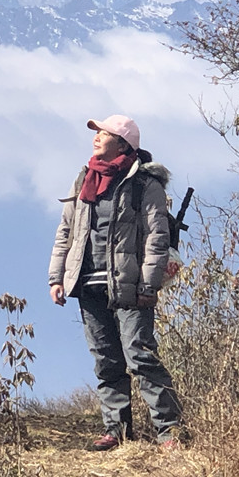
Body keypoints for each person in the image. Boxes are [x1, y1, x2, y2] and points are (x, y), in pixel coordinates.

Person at [48, 114, 183, 451]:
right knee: (106, 360)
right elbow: (66, 231)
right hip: (87, 282)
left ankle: (169, 432)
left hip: (131, 285)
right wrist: (56, 277)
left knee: (141, 357)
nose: (96, 137)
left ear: (123, 144)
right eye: (96, 133)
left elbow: (157, 238)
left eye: (104, 133)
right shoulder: (85, 178)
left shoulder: (145, 184)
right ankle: (116, 431)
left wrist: (148, 284)